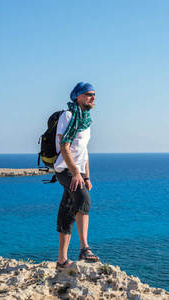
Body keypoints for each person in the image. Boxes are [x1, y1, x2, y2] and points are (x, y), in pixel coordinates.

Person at [54, 82, 99, 269]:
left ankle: (62, 261)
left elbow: (84, 151)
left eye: (94, 94)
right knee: (83, 199)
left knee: (67, 210)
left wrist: (86, 176)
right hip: (65, 170)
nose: (93, 97)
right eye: (89, 94)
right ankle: (84, 248)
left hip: (78, 172)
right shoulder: (68, 116)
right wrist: (75, 174)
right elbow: (64, 146)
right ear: (78, 96)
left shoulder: (86, 120)